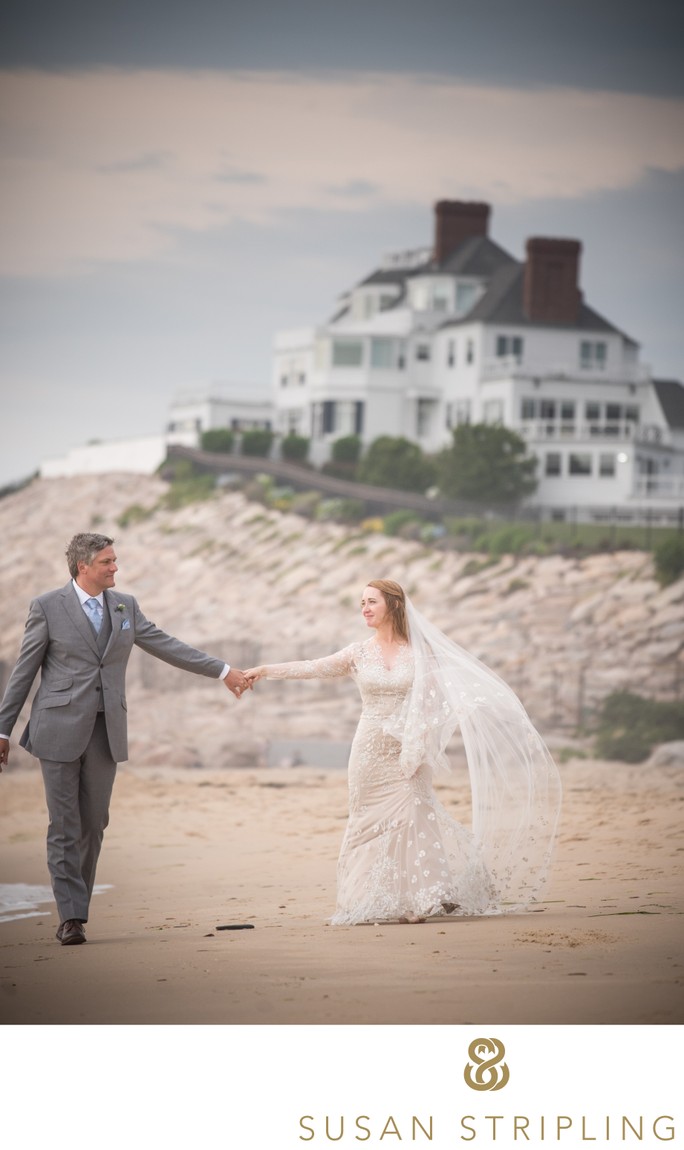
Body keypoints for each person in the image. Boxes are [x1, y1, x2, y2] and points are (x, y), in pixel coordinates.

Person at [246, 579, 561, 925]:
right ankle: (365, 898)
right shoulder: (358, 653)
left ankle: (422, 899)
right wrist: (265, 671)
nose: (364, 608)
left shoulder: (422, 654)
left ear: (394, 605)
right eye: (361, 603)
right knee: (368, 822)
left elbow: (444, 696)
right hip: (369, 750)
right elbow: (311, 667)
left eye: (372, 602)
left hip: (410, 748)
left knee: (414, 815)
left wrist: (421, 740)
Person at [0, 532, 250, 946]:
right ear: (83, 566)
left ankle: (75, 908)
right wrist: (3, 727)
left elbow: (166, 645)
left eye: (114, 561)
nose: (115, 567)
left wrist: (223, 671)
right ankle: (71, 917)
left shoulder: (125, 605)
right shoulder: (47, 607)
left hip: (106, 731)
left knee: (94, 822)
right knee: (63, 825)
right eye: (107, 562)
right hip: (57, 728)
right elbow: (24, 671)